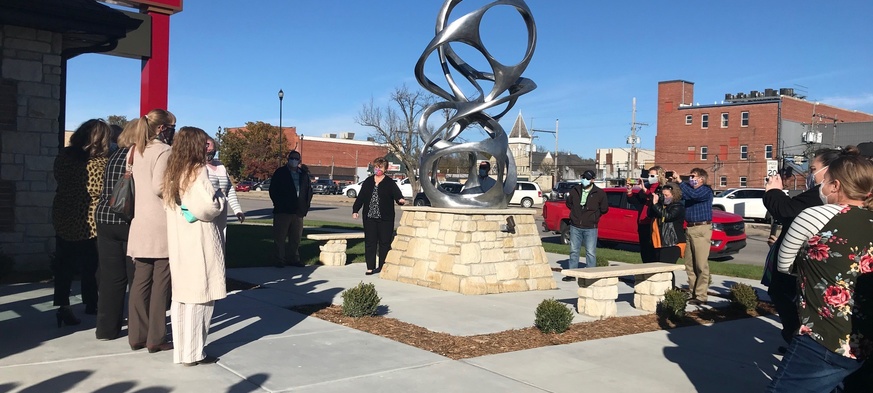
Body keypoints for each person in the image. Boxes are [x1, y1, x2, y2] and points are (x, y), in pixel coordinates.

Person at [768, 151, 873, 392]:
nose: (820, 185)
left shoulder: (815, 214)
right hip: (864, 338)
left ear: (835, 185)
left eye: (825, 181)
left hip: (822, 336)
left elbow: (783, 265)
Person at [761, 147, 841, 350]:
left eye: (813, 168)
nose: (809, 174)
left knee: (792, 304)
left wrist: (773, 192)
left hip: (804, 268)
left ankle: (798, 345)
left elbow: (788, 211)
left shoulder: (821, 199)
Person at [163, 127, 226, 367]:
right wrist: (219, 197)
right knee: (201, 295)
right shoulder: (196, 170)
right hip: (198, 238)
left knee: (182, 296)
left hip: (180, 237)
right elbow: (207, 208)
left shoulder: (172, 169)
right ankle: (194, 352)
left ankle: (182, 351)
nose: (206, 148)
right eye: (203, 143)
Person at [51, 119, 111, 327]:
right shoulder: (99, 162)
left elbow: (58, 178)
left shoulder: (63, 156)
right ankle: (91, 302)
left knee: (63, 262)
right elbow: (97, 190)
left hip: (63, 211)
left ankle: (63, 305)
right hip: (88, 218)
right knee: (91, 263)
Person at [126, 108, 176, 353]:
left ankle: (136, 334)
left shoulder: (134, 151)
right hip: (160, 221)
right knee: (161, 283)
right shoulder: (164, 151)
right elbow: (159, 186)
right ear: (161, 128)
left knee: (140, 281)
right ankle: (156, 337)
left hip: (139, 221)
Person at [94, 119, 138, 339]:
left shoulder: (113, 155)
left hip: (104, 217)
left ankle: (106, 329)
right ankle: (138, 328)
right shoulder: (137, 157)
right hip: (126, 220)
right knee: (136, 277)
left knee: (111, 278)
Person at [352, 157, 406, 275]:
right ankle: (370, 267)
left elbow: (397, 195)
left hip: (385, 218)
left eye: (380, 167)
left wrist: (400, 199)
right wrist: (355, 210)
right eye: (376, 167)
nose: (378, 169)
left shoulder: (389, 183)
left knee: (384, 243)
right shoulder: (368, 181)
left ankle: (382, 266)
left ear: (385, 169)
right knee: (370, 242)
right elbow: (361, 197)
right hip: (370, 217)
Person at [269, 150, 313, 268]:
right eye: (292, 158)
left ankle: (294, 259)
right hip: (283, 211)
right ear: (288, 159)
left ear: (299, 161)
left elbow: (309, 191)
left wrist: (305, 206)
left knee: (295, 238)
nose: (294, 160)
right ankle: (279, 260)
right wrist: (278, 204)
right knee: (280, 237)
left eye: (296, 158)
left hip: (298, 211)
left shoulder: (303, 174)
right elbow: (273, 190)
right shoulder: (280, 172)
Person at [562, 170, 608, 280]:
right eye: (583, 177)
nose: (585, 180)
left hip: (590, 227)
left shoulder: (599, 193)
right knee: (574, 250)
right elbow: (569, 203)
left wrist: (594, 216)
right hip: (575, 225)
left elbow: (604, 209)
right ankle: (572, 274)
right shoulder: (575, 190)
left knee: (590, 252)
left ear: (593, 180)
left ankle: (590, 275)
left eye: (587, 178)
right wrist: (575, 214)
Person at [679, 167, 713, 306]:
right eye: (690, 176)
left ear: (701, 179)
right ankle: (693, 292)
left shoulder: (705, 190)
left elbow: (694, 195)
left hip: (701, 228)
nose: (691, 179)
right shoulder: (689, 191)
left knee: (700, 264)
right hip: (690, 228)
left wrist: (681, 182)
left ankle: (701, 295)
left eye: (693, 176)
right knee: (689, 264)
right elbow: (681, 195)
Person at [205, 136, 245, 234]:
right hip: (207, 212)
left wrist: (237, 210)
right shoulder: (198, 167)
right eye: (207, 148)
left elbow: (229, 189)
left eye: (212, 150)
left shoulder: (221, 167)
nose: (210, 151)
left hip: (221, 213)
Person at [627, 166, 666, 263]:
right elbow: (636, 201)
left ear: (659, 176)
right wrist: (629, 191)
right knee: (644, 250)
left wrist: (645, 190)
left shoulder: (662, 188)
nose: (649, 177)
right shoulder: (647, 186)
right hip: (642, 222)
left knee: (653, 250)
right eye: (649, 175)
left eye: (652, 175)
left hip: (653, 222)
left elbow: (658, 200)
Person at [648, 183, 686, 264]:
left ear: (674, 195)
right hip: (659, 242)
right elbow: (649, 214)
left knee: (666, 269)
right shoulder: (661, 206)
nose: (664, 197)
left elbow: (667, 216)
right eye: (663, 195)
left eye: (667, 195)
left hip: (672, 242)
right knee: (658, 269)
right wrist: (654, 203)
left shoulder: (678, 206)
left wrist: (655, 205)